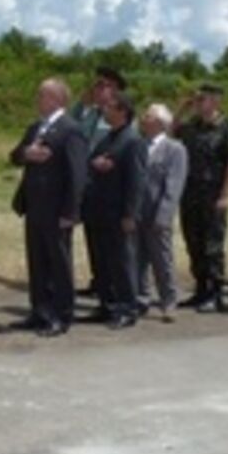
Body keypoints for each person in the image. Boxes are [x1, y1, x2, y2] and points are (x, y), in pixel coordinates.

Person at [9, 78, 87, 337]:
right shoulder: (35, 129)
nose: (38, 100)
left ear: (57, 99)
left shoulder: (71, 130)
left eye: (42, 95)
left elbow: (77, 175)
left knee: (58, 262)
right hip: (35, 206)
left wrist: (71, 212)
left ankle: (61, 315)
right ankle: (39, 311)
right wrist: (26, 153)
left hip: (57, 209)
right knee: (37, 260)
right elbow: (14, 156)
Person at [175, 83, 228, 312]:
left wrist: (226, 195)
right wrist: (182, 108)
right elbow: (170, 130)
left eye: (202, 99)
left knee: (212, 246)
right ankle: (200, 288)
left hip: (213, 194)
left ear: (215, 102)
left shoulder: (226, 128)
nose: (198, 102)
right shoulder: (192, 125)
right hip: (190, 192)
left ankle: (215, 293)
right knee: (192, 242)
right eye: (196, 99)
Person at [82, 90, 146, 329]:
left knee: (121, 261)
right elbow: (92, 163)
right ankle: (107, 305)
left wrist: (131, 213)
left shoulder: (133, 140)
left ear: (122, 111)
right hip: (99, 210)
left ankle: (127, 307)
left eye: (109, 107)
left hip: (118, 212)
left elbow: (136, 181)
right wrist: (96, 164)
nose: (104, 110)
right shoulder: (107, 137)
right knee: (102, 261)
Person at [70, 66, 126, 296]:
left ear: (115, 90)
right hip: (87, 184)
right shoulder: (89, 113)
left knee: (109, 241)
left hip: (108, 186)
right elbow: (72, 129)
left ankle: (113, 285)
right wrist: (83, 104)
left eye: (104, 86)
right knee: (92, 236)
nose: (98, 89)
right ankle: (99, 280)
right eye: (97, 85)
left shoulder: (120, 116)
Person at [136, 103, 188, 321]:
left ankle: (168, 300)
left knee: (162, 259)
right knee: (137, 258)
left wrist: (164, 215)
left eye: (147, 116)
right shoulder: (138, 145)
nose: (142, 119)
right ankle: (141, 298)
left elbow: (174, 185)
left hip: (158, 213)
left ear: (159, 123)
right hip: (137, 211)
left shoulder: (175, 149)